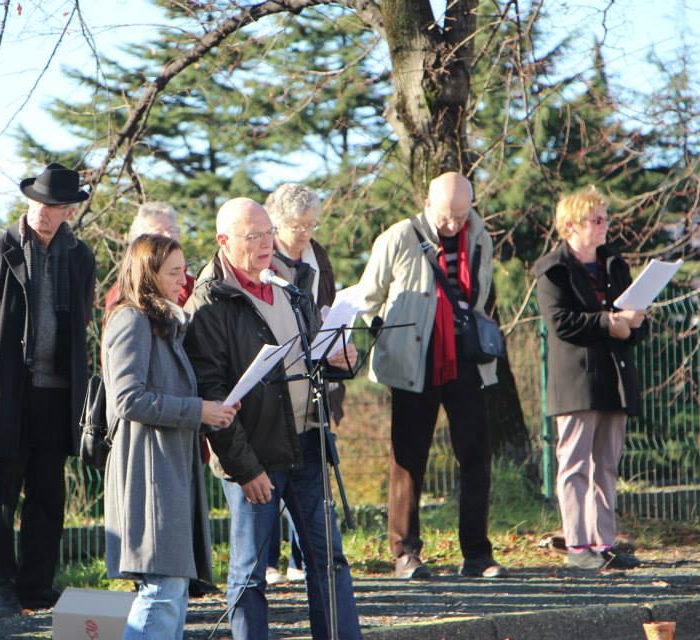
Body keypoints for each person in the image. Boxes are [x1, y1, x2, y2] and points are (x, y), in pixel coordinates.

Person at [184, 197, 362, 639]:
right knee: (250, 575)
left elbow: (312, 356)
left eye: (268, 233)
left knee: (329, 561)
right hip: (255, 456)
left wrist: (342, 360)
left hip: (308, 443)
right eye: (253, 237)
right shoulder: (210, 303)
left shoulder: (289, 284)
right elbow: (211, 396)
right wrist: (246, 469)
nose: (266, 244)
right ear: (223, 241)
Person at [357, 171, 506, 579]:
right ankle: (405, 552)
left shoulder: (480, 237)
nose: (453, 225)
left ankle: (477, 554)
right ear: (427, 203)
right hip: (414, 360)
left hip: (465, 358)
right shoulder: (398, 237)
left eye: (461, 215)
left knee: (476, 455)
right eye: (445, 216)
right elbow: (368, 298)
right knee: (408, 458)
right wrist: (386, 338)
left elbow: (479, 295)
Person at [0, 163, 96, 616]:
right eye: (39, 201)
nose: (44, 211)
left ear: (68, 211)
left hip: (57, 395)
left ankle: (37, 586)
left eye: (54, 205)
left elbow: (81, 321)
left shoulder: (80, 257)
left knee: (48, 496)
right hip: (4, 394)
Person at [103, 233, 238, 639]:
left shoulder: (163, 323)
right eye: (174, 272)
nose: (184, 280)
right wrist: (198, 410)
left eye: (185, 271)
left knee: (172, 588)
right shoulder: (131, 320)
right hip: (148, 471)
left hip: (168, 469)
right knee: (162, 589)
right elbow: (127, 399)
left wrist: (211, 411)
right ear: (148, 274)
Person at [534, 186, 645, 571]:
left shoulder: (615, 265)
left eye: (605, 218)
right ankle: (578, 546)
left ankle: (604, 542)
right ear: (570, 226)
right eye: (596, 220)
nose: (605, 226)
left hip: (614, 379)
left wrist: (633, 324)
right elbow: (560, 322)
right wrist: (609, 323)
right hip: (577, 382)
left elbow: (634, 320)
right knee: (575, 466)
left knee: (607, 466)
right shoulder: (553, 269)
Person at [264, 183, 342, 584]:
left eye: (312, 225)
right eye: (298, 226)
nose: (306, 234)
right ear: (276, 224)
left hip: (316, 377)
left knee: (312, 470)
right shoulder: (264, 258)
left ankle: (301, 558)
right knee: (272, 476)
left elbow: (328, 304)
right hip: (275, 382)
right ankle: (269, 559)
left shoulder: (318, 256)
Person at [103, 202, 194, 314]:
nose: (168, 236)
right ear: (140, 243)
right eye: (158, 232)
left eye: (171, 230)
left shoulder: (193, 286)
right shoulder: (124, 293)